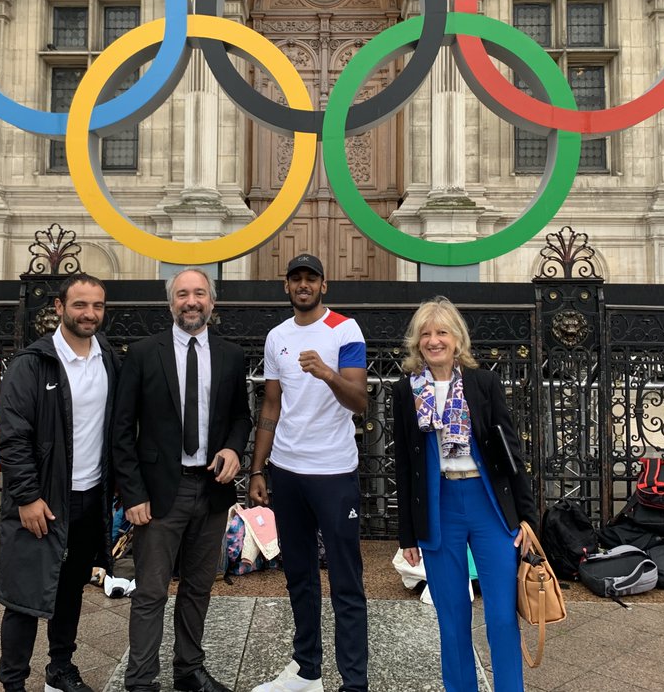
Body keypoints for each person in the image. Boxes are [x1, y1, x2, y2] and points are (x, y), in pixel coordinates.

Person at [112, 267, 252, 692]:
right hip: (157, 495)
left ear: (212, 301)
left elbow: (240, 418)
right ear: (170, 302)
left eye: (199, 294)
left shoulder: (230, 355)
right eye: (182, 295)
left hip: (210, 491)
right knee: (151, 592)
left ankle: (189, 670)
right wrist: (132, 494)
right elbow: (121, 430)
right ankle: (140, 681)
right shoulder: (142, 353)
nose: (191, 302)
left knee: (197, 589)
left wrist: (233, 448)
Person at [390, 296, 536, 692]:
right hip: (439, 508)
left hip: (487, 504)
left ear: (457, 340)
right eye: (426, 334)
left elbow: (511, 454)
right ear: (417, 342)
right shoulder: (406, 391)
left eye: (442, 332)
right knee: (452, 616)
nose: (433, 340)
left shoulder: (483, 383)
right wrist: (407, 535)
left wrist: (525, 518)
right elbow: (404, 465)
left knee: (503, 615)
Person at [249, 254, 370, 692]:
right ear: (287, 286)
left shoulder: (345, 328)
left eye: (311, 279)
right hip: (287, 470)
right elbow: (271, 404)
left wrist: (326, 372)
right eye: (296, 279)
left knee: (345, 581)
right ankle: (306, 671)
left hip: (334, 472)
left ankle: (354, 682)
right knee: (299, 574)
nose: (303, 285)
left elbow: (359, 400)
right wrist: (257, 469)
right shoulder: (276, 336)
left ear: (324, 285)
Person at [0, 273, 121, 692]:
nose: (89, 314)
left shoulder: (108, 358)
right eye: (81, 305)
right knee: (24, 598)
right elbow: (11, 437)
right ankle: (13, 681)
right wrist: (27, 497)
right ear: (59, 307)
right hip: (43, 501)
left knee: (70, 589)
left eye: (97, 306)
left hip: (90, 496)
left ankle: (59, 669)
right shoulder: (32, 364)